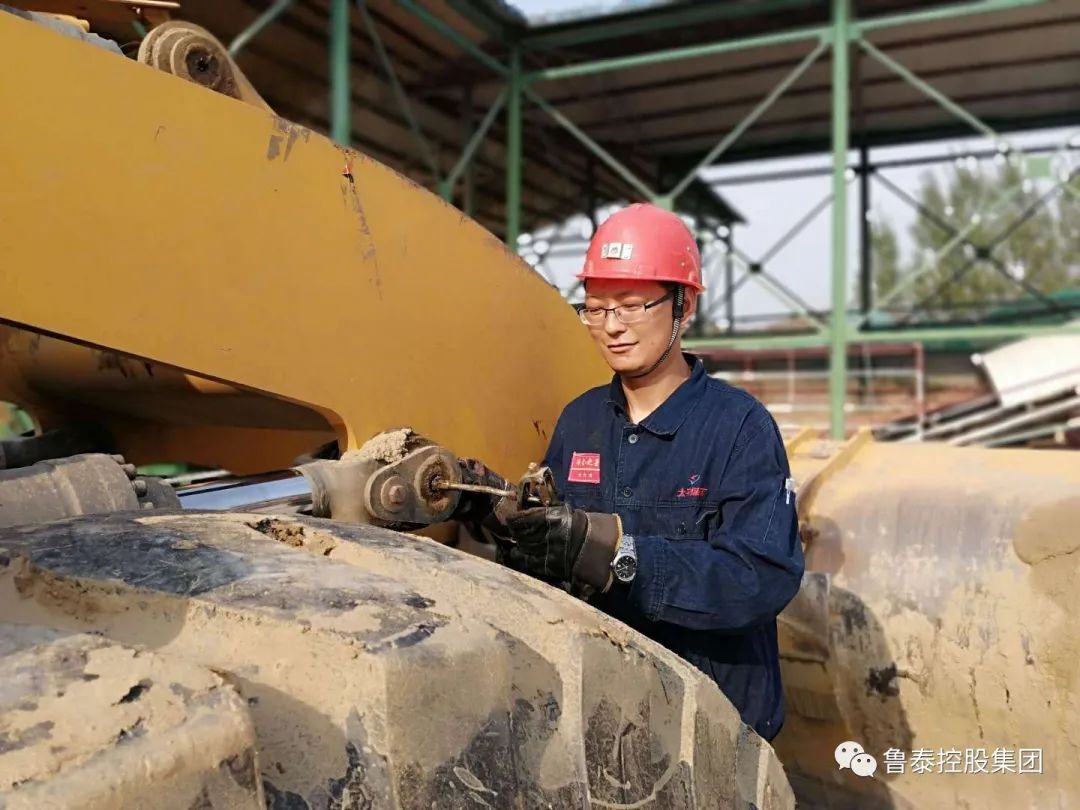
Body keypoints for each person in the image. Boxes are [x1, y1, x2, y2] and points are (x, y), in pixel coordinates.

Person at [493, 202, 805, 742]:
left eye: (632, 306)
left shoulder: (739, 427)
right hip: (601, 716)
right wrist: (507, 523)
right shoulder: (580, 420)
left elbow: (760, 577)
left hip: (715, 728)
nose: (611, 326)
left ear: (685, 306)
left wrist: (620, 556)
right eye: (595, 308)